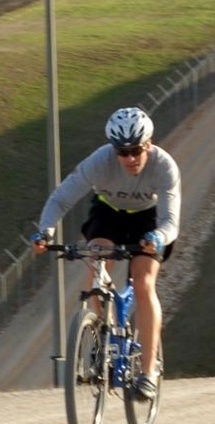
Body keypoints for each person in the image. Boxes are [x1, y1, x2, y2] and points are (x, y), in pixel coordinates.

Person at [30, 107, 181, 400]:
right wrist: (45, 231)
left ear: (148, 144)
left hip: (149, 221)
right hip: (108, 214)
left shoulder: (164, 167)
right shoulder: (100, 161)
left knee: (143, 283)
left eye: (136, 150)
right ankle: (101, 333)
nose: (129, 158)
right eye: (122, 152)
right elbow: (61, 198)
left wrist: (157, 237)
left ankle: (148, 372)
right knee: (98, 259)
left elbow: (170, 221)